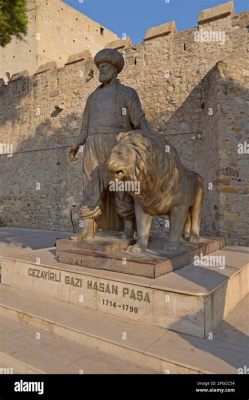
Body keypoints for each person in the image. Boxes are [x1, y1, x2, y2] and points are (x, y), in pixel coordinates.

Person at [69, 48, 150, 240]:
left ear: (115, 70)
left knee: (120, 188)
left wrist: (150, 140)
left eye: (105, 66)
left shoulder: (127, 93)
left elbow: (139, 120)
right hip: (92, 146)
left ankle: (128, 227)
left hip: (116, 144)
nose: (101, 69)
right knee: (90, 186)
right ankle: (88, 228)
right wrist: (76, 144)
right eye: (99, 67)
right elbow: (84, 127)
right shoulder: (92, 98)